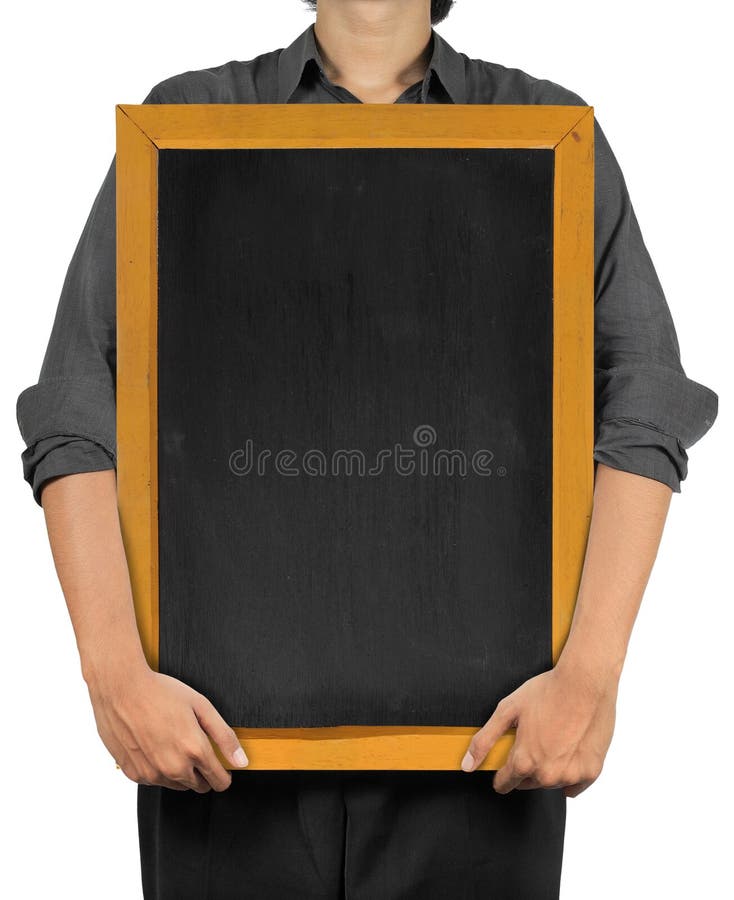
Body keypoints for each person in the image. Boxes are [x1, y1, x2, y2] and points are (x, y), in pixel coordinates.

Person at [15, 1, 719, 897]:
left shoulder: (547, 135)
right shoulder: (188, 128)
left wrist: (590, 677)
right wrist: (113, 674)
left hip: (490, 753)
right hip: (212, 752)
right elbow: (78, 406)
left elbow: (645, 405)